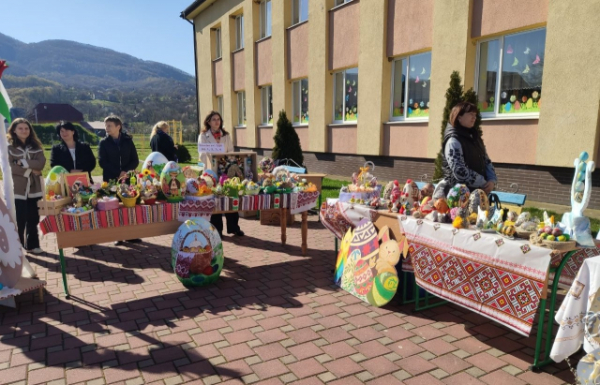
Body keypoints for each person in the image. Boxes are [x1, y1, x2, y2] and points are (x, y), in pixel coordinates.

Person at [435, 101, 497, 198]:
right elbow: (459, 171)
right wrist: (483, 182)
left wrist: (492, 180)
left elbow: (486, 160)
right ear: (459, 117)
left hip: (477, 193)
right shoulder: (453, 140)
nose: (474, 117)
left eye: (475, 114)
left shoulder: (475, 137)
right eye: (470, 114)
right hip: (458, 196)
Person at [198, 111, 244, 238]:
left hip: (226, 171)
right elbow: (202, 154)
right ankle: (217, 230)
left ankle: (234, 227)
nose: (217, 122)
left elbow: (231, 152)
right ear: (208, 122)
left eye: (218, 119)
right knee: (215, 201)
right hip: (211, 173)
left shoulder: (226, 135)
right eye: (214, 119)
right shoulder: (203, 136)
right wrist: (214, 155)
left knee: (230, 197)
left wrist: (225, 159)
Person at [97, 115, 141, 245]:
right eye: (106, 125)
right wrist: (118, 172)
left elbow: (135, 160)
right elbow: (102, 161)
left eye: (109, 125)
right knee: (113, 207)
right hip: (111, 179)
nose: (107, 128)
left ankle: (131, 235)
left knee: (130, 207)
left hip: (128, 179)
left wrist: (125, 171)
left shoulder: (128, 141)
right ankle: (118, 236)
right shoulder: (104, 143)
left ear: (118, 127)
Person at [7, 118, 46, 254]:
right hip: (17, 189)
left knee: (33, 218)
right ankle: (18, 248)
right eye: (20, 128)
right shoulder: (8, 147)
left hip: (34, 188)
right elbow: (9, 167)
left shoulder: (36, 147)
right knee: (19, 219)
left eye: (26, 128)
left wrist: (21, 162)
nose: (24, 131)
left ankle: (32, 245)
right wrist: (30, 168)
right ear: (14, 130)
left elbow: (40, 163)